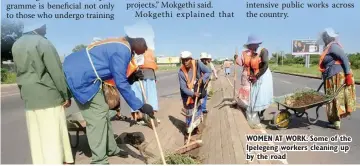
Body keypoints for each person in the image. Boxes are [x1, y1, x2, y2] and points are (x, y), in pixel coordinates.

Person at [62, 36, 155, 164]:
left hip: (85, 75)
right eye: (144, 47)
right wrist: (140, 106)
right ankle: (99, 160)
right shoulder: (123, 49)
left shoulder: (120, 45)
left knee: (104, 112)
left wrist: (131, 77)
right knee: (97, 118)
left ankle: (111, 149)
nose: (144, 50)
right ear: (137, 42)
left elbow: (111, 73)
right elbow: (120, 83)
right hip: (80, 77)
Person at [11, 24, 74, 164]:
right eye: (44, 25)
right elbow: (56, 72)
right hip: (48, 95)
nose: (46, 28)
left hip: (29, 96)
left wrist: (23, 93)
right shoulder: (43, 42)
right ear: (37, 26)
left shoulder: (16, 44)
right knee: (52, 134)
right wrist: (66, 95)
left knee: (36, 135)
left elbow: (18, 72)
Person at [317, 28, 356, 130]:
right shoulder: (328, 47)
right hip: (331, 76)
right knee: (331, 98)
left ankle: (336, 121)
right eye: (324, 37)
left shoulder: (333, 46)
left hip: (336, 76)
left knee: (334, 98)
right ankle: (334, 120)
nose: (324, 39)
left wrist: (348, 75)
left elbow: (345, 59)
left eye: (325, 37)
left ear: (329, 37)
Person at [242, 35, 274, 129]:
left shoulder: (263, 51)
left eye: (250, 45)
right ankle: (256, 115)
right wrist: (251, 76)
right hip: (256, 75)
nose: (249, 47)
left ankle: (259, 114)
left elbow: (265, 65)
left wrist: (256, 76)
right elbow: (251, 65)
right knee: (254, 96)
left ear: (255, 44)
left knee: (261, 96)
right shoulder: (253, 53)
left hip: (264, 75)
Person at [178, 51, 211, 140]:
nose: (185, 62)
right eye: (183, 60)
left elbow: (208, 72)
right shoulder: (181, 72)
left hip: (197, 88)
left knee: (197, 110)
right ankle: (189, 130)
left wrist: (202, 78)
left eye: (187, 60)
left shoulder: (197, 64)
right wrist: (192, 94)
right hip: (187, 95)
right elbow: (183, 88)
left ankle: (195, 127)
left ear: (191, 59)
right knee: (189, 112)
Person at [129, 49, 161, 128]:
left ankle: (148, 118)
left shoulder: (142, 49)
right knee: (138, 96)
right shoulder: (135, 48)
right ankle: (139, 117)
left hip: (146, 74)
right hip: (137, 74)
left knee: (148, 97)